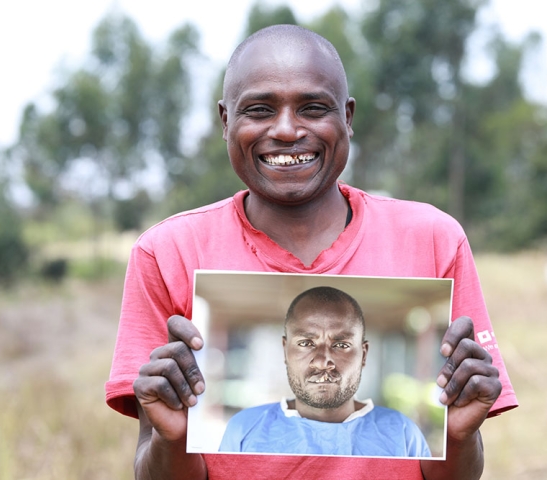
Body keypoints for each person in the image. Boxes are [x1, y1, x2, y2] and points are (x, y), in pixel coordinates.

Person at [106, 24, 518, 479]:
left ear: (347, 116)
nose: (286, 130)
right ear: (225, 121)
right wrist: (172, 435)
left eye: (313, 108)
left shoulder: (434, 240)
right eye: (259, 110)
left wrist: (459, 437)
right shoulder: (167, 254)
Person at [218, 286, 431, 457]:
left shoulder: (402, 434)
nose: (322, 362)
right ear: (285, 351)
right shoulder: (244, 430)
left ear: (363, 355)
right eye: (306, 342)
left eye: (341, 345)